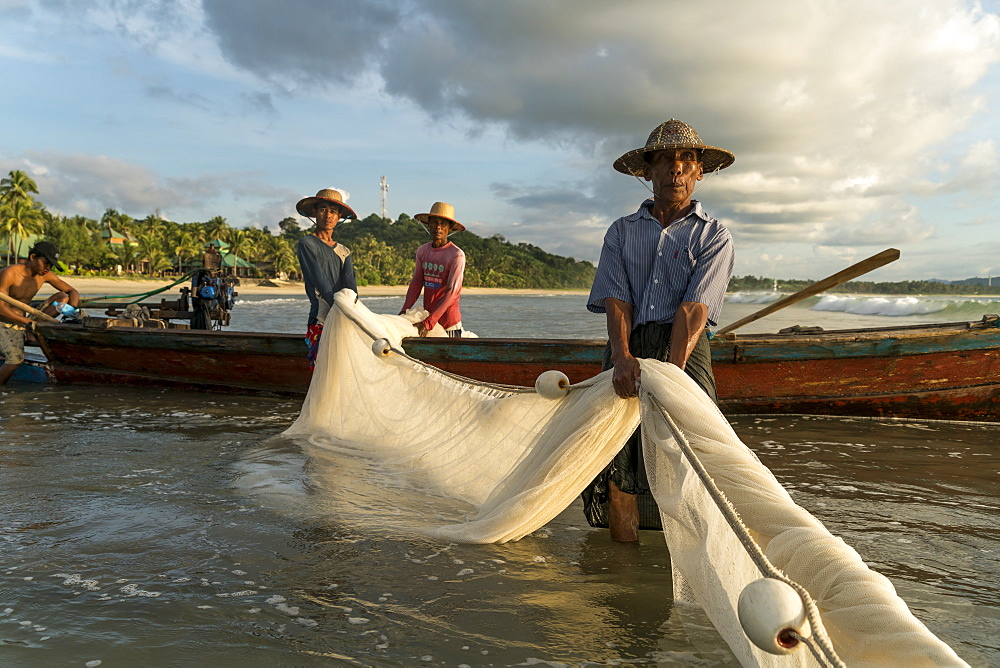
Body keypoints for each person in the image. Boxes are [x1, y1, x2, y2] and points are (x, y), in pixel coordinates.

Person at [583, 119, 736, 542]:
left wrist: (671, 377)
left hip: (684, 350)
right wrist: (623, 358)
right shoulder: (622, 231)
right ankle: (623, 571)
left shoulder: (714, 235)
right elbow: (617, 301)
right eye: (665, 160)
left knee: (694, 460)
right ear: (647, 172)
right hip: (628, 345)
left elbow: (693, 310)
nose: (676, 168)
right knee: (619, 464)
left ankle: (695, 561)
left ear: (700, 171)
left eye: (687, 158)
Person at [294, 188, 358, 369]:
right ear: (314, 213)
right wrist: (344, 310)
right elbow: (320, 281)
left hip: (344, 318)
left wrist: (354, 311)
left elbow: (351, 287)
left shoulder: (344, 251)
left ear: (339, 217)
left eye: (333, 211)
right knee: (323, 371)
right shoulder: (307, 244)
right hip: (321, 320)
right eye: (323, 209)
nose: (328, 215)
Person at [0, 241, 80, 385]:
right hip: (4, 321)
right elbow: (0, 309)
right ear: (33, 257)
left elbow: (72, 291)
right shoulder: (10, 273)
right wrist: (29, 322)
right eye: (46, 263)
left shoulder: (44, 275)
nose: (47, 268)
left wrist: (72, 310)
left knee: (62, 297)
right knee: (14, 361)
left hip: (26, 321)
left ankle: (30, 334)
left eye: (50, 265)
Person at [399, 202, 467, 337]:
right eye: (434, 222)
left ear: (449, 228)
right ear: (428, 225)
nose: (438, 227)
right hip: (427, 316)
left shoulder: (456, 255)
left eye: (443, 224)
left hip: (448, 323)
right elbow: (416, 284)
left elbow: (452, 292)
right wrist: (404, 311)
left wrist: (428, 323)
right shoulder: (423, 251)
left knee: (450, 358)